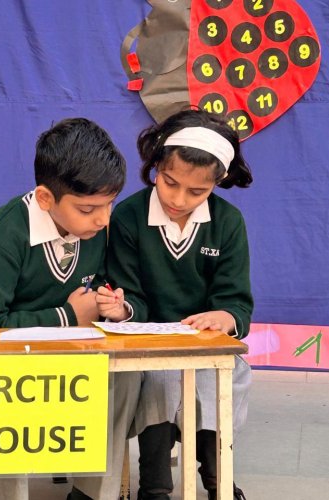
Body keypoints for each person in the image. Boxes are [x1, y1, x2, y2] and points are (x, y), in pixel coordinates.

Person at [0, 117, 142, 500]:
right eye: (88, 208)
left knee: (126, 373)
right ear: (45, 198)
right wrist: (67, 317)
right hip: (5, 363)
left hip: (69, 356)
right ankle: (3, 496)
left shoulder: (93, 228)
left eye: (109, 204)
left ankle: (93, 492)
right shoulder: (0, 240)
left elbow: (102, 283)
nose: (104, 218)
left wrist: (111, 304)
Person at [96, 109, 253, 500]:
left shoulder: (228, 222)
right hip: (149, 346)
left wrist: (224, 315)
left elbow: (236, 301)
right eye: (169, 182)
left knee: (220, 375)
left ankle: (218, 477)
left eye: (196, 191)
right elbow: (129, 294)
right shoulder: (129, 216)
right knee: (161, 377)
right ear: (156, 167)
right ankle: (154, 485)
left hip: (205, 346)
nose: (178, 199)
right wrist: (120, 308)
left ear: (218, 181)